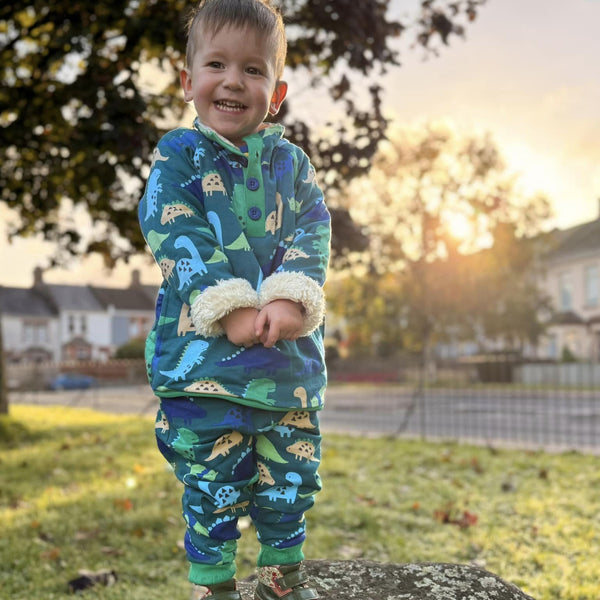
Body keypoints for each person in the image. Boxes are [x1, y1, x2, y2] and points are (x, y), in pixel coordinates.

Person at [138, 1, 331, 598]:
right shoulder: (178, 156)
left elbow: (313, 228)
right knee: (212, 485)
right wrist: (229, 304)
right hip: (203, 375)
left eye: (253, 69)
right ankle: (214, 584)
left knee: (290, 481)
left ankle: (281, 578)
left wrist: (291, 298)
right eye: (217, 63)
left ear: (276, 91)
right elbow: (175, 232)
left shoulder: (292, 165)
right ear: (188, 80)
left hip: (286, 373)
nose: (233, 80)